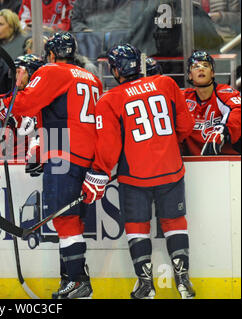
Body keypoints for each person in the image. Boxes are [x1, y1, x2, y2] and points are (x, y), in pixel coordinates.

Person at [0, 32, 103, 299]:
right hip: (87, 156)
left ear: (51, 55)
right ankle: (72, 280)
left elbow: (26, 103)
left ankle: (77, 281)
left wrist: (5, 102)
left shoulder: (52, 70)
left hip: (64, 152)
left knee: (64, 220)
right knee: (72, 221)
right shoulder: (93, 78)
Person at [83, 43, 195, 299]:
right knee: (174, 222)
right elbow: (185, 126)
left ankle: (146, 285)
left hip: (135, 176)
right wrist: (164, 145)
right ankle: (183, 282)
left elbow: (109, 147)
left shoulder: (110, 99)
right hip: (171, 170)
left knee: (136, 225)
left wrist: (98, 171)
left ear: (114, 69)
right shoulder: (166, 84)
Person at [182, 50, 241, 156]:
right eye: (195, 66)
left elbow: (237, 110)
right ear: (190, 75)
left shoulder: (224, 92)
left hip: (228, 162)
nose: (201, 68)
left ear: (212, 73)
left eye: (205, 65)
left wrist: (221, 130)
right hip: (192, 163)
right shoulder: (183, 98)